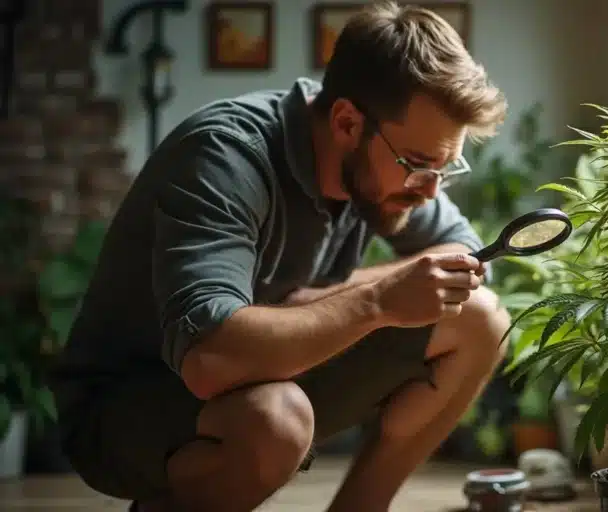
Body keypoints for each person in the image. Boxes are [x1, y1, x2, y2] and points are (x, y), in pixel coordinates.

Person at [50, 2, 511, 511]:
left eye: (445, 169)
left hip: (260, 371)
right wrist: (374, 300)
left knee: (479, 317)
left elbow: (463, 251)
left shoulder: (387, 169)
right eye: (418, 165)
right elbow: (210, 362)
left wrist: (321, 299)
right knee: (275, 419)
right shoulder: (226, 156)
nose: (428, 192)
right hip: (131, 402)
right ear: (346, 123)